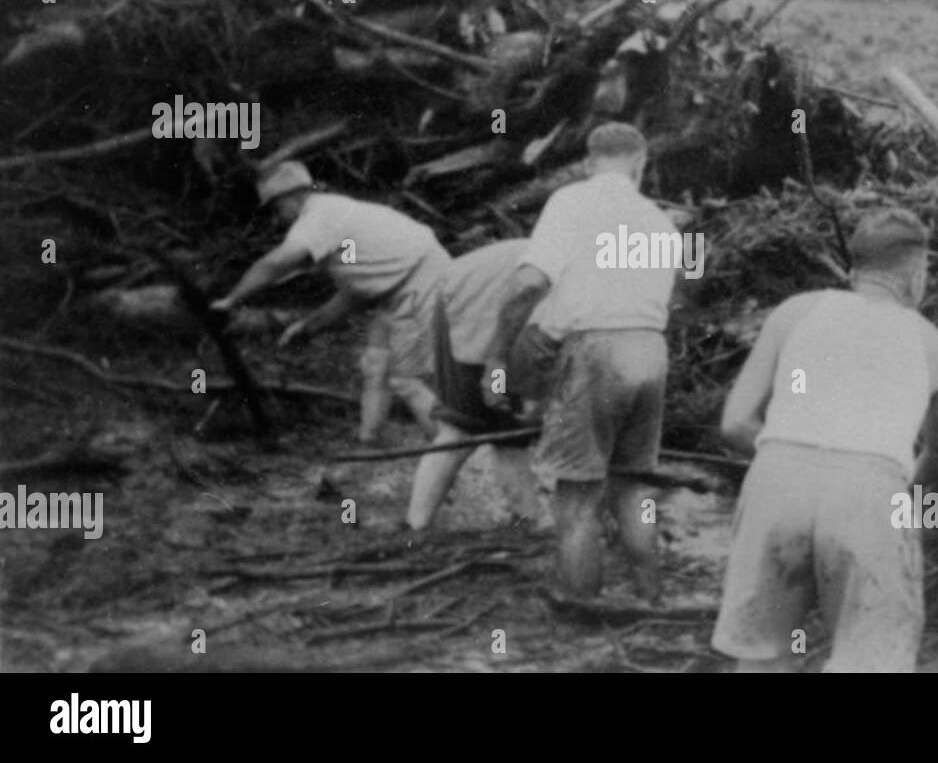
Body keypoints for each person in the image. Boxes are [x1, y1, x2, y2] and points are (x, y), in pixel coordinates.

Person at [710, 207, 938, 672]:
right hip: (870, 489)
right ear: (915, 273)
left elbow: (735, 423)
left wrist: (793, 456)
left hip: (777, 480)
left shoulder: (796, 312)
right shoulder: (936, 348)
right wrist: (904, 493)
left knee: (763, 656)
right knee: (870, 661)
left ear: (853, 271)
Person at [481, 122, 677, 601]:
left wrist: (495, 359)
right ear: (640, 163)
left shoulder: (571, 202)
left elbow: (528, 285)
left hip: (596, 352)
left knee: (576, 499)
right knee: (633, 487)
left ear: (589, 163)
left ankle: (582, 612)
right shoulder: (662, 221)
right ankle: (651, 597)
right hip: (651, 349)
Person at [211, 161, 450, 444]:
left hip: (422, 283)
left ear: (292, 197)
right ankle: (369, 441)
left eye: (277, 208)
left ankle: (451, 451)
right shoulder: (337, 219)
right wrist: (310, 326)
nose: (278, 218)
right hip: (402, 287)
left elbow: (277, 262)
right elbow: (355, 292)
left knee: (406, 380)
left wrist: (231, 299)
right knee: (376, 366)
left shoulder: (319, 216)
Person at [405, 238, 559, 531]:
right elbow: (525, 321)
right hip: (473, 301)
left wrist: (536, 401)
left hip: (509, 312)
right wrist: (510, 385)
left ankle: (527, 520)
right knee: (461, 427)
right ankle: (415, 528)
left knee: (510, 430)